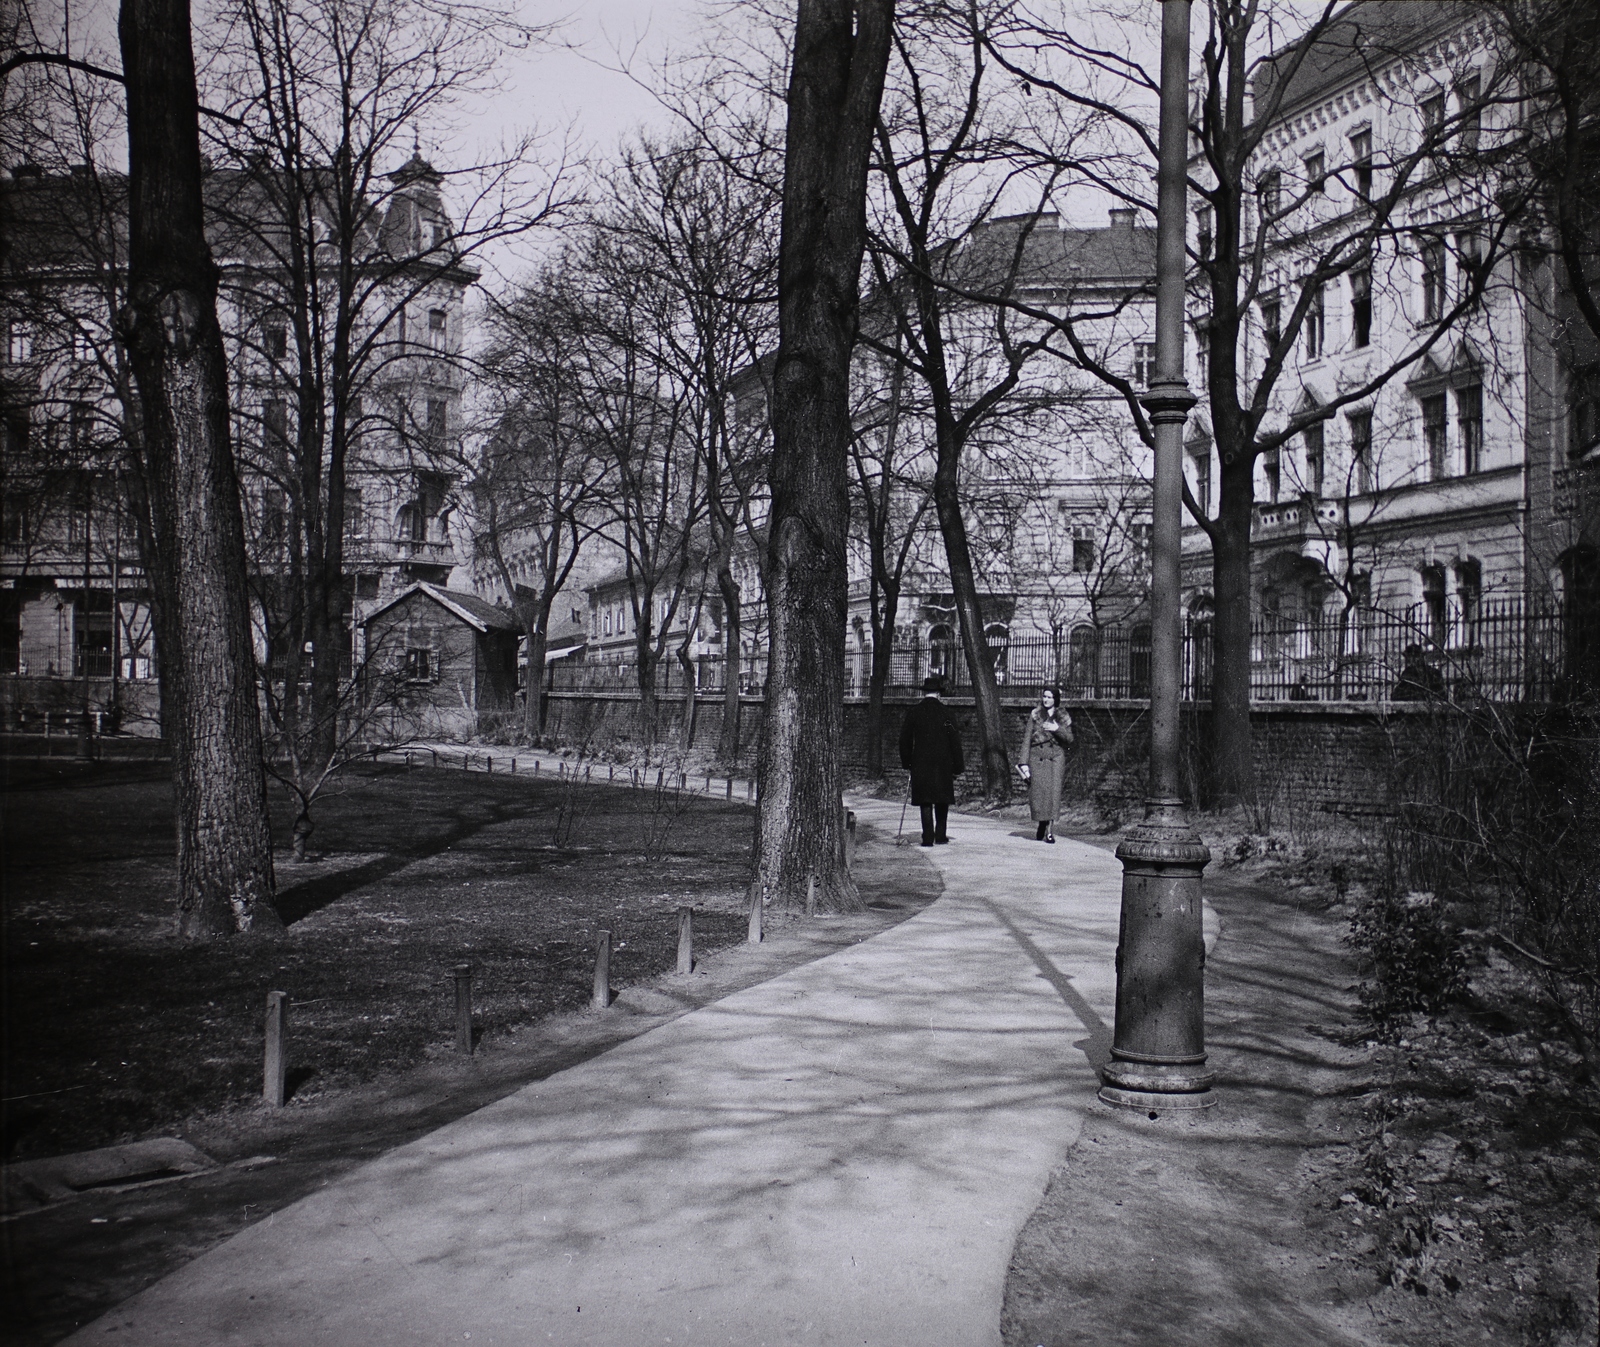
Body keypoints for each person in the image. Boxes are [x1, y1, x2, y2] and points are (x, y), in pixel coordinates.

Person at [899, 676, 965, 847]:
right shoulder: (947, 713)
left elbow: (904, 740)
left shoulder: (914, 712)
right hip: (943, 762)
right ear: (938, 693)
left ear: (925, 693)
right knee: (942, 798)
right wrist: (958, 765)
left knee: (925, 799)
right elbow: (954, 740)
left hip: (921, 762)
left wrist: (907, 762)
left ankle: (928, 836)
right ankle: (941, 835)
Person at [1016, 687, 1073, 843]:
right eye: (1044, 696)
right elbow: (1027, 739)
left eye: (1049, 697)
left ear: (1055, 699)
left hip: (1056, 758)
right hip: (1037, 758)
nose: (1046, 699)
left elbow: (1069, 738)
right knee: (1040, 794)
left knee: (1053, 794)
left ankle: (1050, 831)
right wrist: (1024, 763)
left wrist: (1057, 729)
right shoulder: (1035, 715)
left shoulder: (1063, 716)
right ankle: (1042, 822)